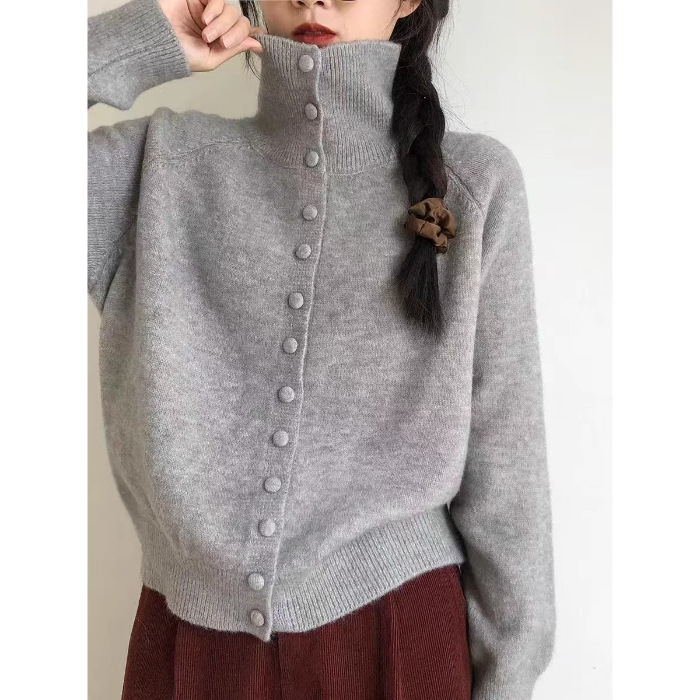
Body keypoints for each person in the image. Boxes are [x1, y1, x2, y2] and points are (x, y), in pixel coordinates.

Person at [88, 0, 557, 698]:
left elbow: (507, 476)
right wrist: (143, 38)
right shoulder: (155, 169)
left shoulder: (474, 187)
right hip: (188, 643)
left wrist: (508, 681)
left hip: (401, 638)